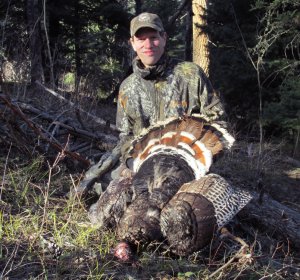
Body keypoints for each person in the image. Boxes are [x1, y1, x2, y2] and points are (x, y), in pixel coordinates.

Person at [78, 12, 225, 192]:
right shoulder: (127, 87)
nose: (148, 45)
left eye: (153, 37)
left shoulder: (191, 74)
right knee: (113, 194)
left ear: (164, 38)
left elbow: (217, 120)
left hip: (188, 167)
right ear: (132, 43)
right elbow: (125, 135)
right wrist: (133, 163)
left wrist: (201, 161)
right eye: (141, 39)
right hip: (144, 167)